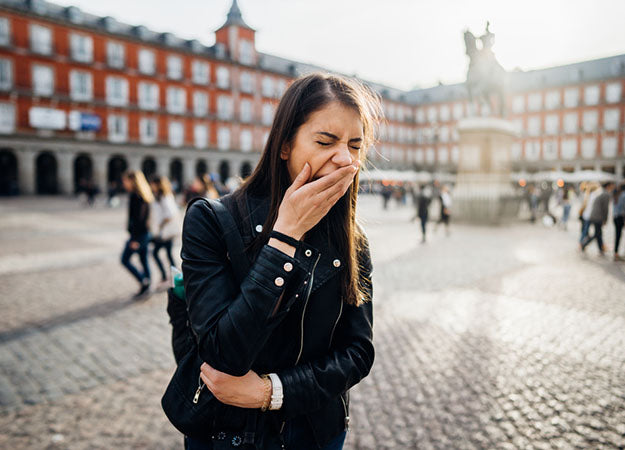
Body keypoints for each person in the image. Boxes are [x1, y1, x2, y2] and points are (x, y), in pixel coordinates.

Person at [180, 73, 380, 449]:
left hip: (318, 431)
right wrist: (285, 236)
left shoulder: (352, 239)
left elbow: (358, 351)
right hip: (228, 435)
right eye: (325, 141)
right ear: (285, 145)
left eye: (355, 145)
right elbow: (224, 353)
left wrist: (273, 392)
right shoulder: (210, 220)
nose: (344, 159)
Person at [121, 170, 154, 298]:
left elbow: (138, 219)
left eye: (125, 180)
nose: (124, 183)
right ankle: (148, 285)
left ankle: (143, 281)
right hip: (145, 233)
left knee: (124, 259)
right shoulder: (145, 194)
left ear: (132, 181)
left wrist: (134, 239)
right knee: (143, 259)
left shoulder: (135, 196)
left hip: (138, 235)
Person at [149, 175, 181, 289]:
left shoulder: (164, 197)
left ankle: (169, 277)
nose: (151, 186)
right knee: (167, 254)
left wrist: (160, 225)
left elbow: (170, 214)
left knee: (158, 253)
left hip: (165, 232)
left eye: (152, 184)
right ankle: (173, 277)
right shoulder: (160, 196)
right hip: (163, 232)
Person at [581, 181, 615, 255]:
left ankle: (601, 248)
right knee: (597, 233)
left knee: (598, 233)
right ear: (608, 186)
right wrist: (605, 219)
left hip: (594, 215)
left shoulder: (601, 192)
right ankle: (584, 244)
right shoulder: (606, 194)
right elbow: (605, 208)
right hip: (597, 216)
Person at [612, 182, 625, 261]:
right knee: (619, 235)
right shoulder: (624, 195)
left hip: (615, 217)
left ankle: (616, 252)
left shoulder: (617, 194)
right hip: (621, 217)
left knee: (617, 235)